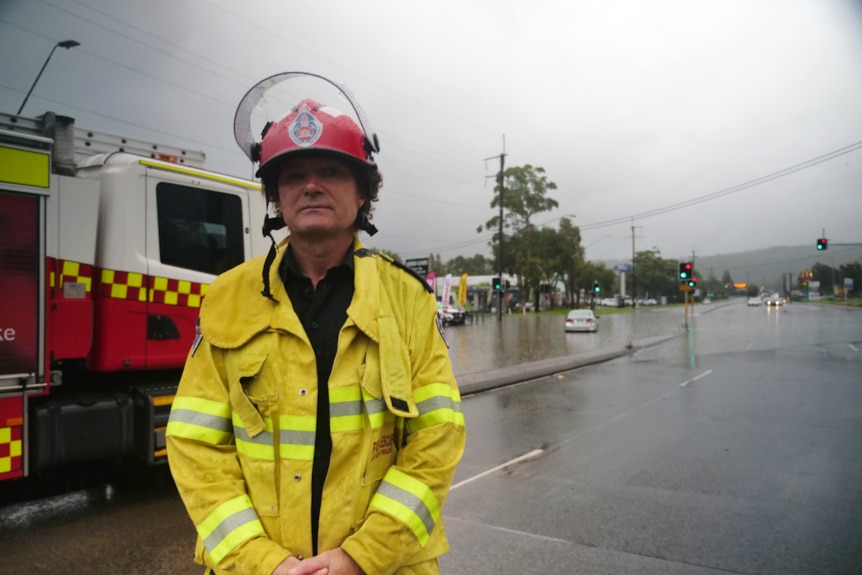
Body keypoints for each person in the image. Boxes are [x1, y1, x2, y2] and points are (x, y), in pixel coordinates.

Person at [166, 90, 466, 575]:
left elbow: (437, 438)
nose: (311, 186)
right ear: (276, 196)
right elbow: (195, 446)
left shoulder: (409, 300)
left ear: (363, 191)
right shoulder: (226, 298)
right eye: (293, 176)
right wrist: (266, 563)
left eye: (331, 171)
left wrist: (360, 557)